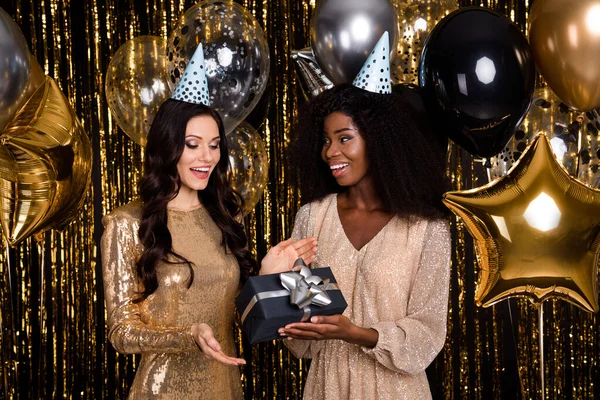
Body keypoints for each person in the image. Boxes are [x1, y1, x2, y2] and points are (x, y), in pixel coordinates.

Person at [100, 46, 316, 399]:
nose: (207, 157)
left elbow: (247, 321)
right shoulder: (127, 224)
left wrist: (267, 276)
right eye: (192, 144)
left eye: (214, 145)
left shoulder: (226, 216)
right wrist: (189, 335)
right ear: (167, 146)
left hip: (224, 387)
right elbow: (121, 334)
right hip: (162, 391)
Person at [272, 33, 452, 399]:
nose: (330, 152)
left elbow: (427, 334)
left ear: (377, 140)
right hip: (328, 387)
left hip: (397, 391)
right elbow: (299, 338)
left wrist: (355, 332)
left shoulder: (426, 228)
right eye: (325, 140)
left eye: (344, 138)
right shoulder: (314, 217)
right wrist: (275, 282)